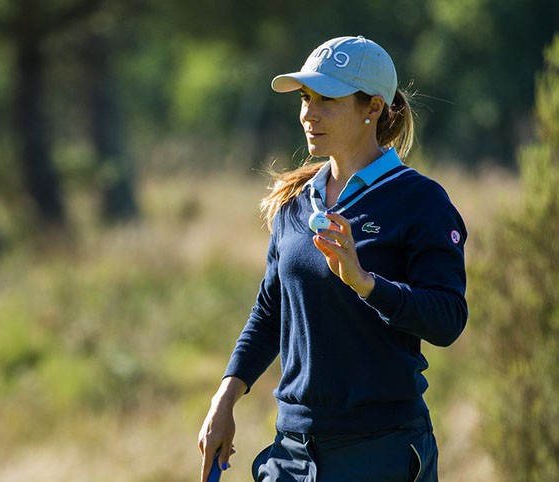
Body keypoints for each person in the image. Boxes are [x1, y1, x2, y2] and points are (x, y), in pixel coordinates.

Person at [197, 35, 468, 482]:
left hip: (382, 451)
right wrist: (224, 399)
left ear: (373, 108)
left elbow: (448, 318)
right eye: (305, 98)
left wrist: (366, 283)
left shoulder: (420, 201)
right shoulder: (296, 202)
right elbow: (271, 311)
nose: (308, 113)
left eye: (327, 99)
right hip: (291, 451)